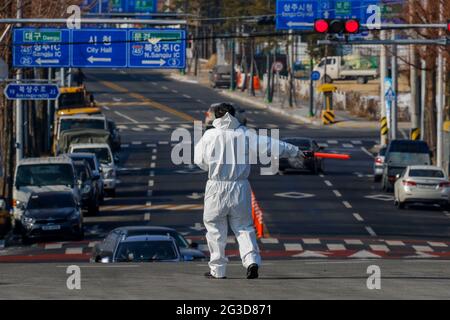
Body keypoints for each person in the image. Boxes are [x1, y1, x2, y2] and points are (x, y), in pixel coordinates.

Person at [194, 103, 304, 279]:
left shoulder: (209, 135)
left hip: (215, 186)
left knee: (215, 229)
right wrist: (295, 151)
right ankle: (251, 261)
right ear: (234, 115)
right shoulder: (245, 134)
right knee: (244, 227)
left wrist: (214, 165)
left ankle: (218, 270)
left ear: (216, 116)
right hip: (240, 186)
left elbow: (199, 160)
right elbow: (271, 145)